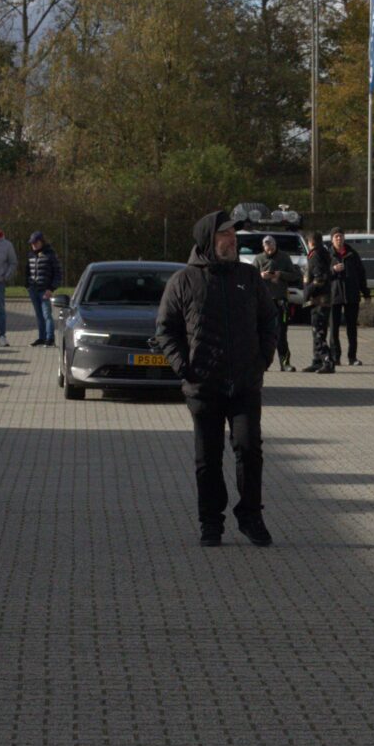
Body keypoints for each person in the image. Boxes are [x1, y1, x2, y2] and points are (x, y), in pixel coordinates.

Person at [153, 208, 278, 547]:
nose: (231, 241)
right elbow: (166, 330)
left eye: (234, 236)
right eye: (224, 235)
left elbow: (269, 321)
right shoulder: (184, 281)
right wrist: (184, 367)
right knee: (207, 458)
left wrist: (262, 360)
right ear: (209, 240)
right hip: (203, 386)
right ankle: (211, 522)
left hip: (244, 385)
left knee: (249, 449)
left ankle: (251, 515)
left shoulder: (248, 277)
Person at [323, 228, 368, 366]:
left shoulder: (352, 254)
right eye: (336, 237)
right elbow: (322, 275)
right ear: (332, 239)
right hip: (334, 296)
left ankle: (352, 357)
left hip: (351, 295)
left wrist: (366, 292)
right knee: (334, 329)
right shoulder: (327, 255)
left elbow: (361, 274)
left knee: (352, 329)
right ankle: (335, 357)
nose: (338, 239)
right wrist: (333, 270)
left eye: (341, 236)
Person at [254, 246, 295, 370]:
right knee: (261, 333)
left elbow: (295, 275)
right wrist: (260, 275)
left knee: (281, 334)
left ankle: (285, 362)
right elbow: (250, 278)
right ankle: (261, 363)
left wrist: (280, 274)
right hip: (263, 303)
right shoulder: (258, 259)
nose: (269, 248)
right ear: (263, 246)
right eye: (266, 245)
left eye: (271, 244)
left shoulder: (284, 258)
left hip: (280, 302)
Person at [302, 231, 336, 372]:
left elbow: (319, 278)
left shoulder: (316, 256)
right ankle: (317, 360)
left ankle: (328, 361)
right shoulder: (323, 253)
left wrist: (307, 291)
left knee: (318, 332)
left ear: (310, 243)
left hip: (319, 300)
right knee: (316, 331)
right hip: (321, 299)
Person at [25, 232, 63, 347]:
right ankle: (41, 338)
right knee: (39, 315)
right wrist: (27, 285)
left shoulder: (50, 254)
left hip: (45, 290)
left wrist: (51, 288)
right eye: (32, 243)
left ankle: (50, 338)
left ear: (42, 242)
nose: (34, 245)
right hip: (33, 289)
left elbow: (58, 273)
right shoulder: (30, 255)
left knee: (47, 315)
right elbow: (27, 271)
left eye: (36, 243)